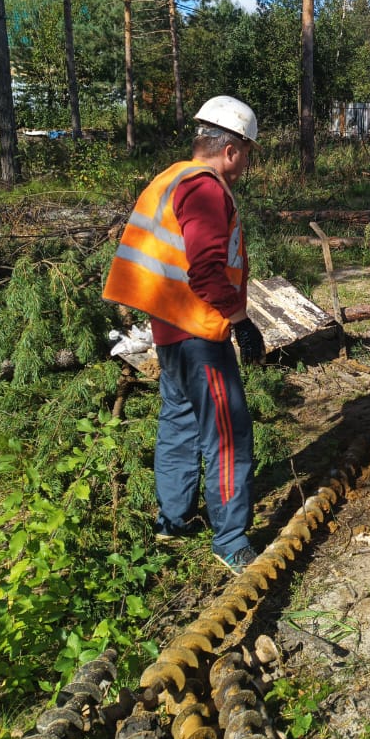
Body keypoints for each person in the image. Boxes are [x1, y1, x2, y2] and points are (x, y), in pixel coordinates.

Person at [103, 96, 266, 575]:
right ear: (231, 150)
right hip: (200, 333)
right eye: (247, 154)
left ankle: (172, 521)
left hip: (169, 329)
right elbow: (206, 269)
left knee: (178, 424)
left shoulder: (171, 177)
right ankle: (231, 541)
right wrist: (241, 322)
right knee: (228, 434)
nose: (245, 165)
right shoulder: (206, 190)